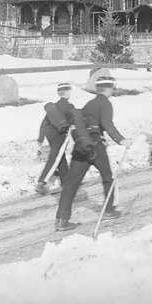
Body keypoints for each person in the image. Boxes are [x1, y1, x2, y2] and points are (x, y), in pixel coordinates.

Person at [55, 76, 131, 231]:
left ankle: (62, 220)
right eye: (112, 89)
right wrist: (121, 140)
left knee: (71, 182)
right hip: (96, 145)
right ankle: (109, 210)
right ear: (109, 89)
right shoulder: (105, 103)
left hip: (81, 146)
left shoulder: (89, 103)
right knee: (107, 177)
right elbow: (108, 124)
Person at [36, 82, 74, 195]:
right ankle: (42, 182)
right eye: (69, 91)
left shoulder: (54, 107)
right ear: (67, 92)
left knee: (60, 157)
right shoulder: (68, 106)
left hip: (50, 135)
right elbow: (77, 119)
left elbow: (44, 123)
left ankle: (66, 182)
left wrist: (40, 138)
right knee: (55, 158)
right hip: (60, 135)